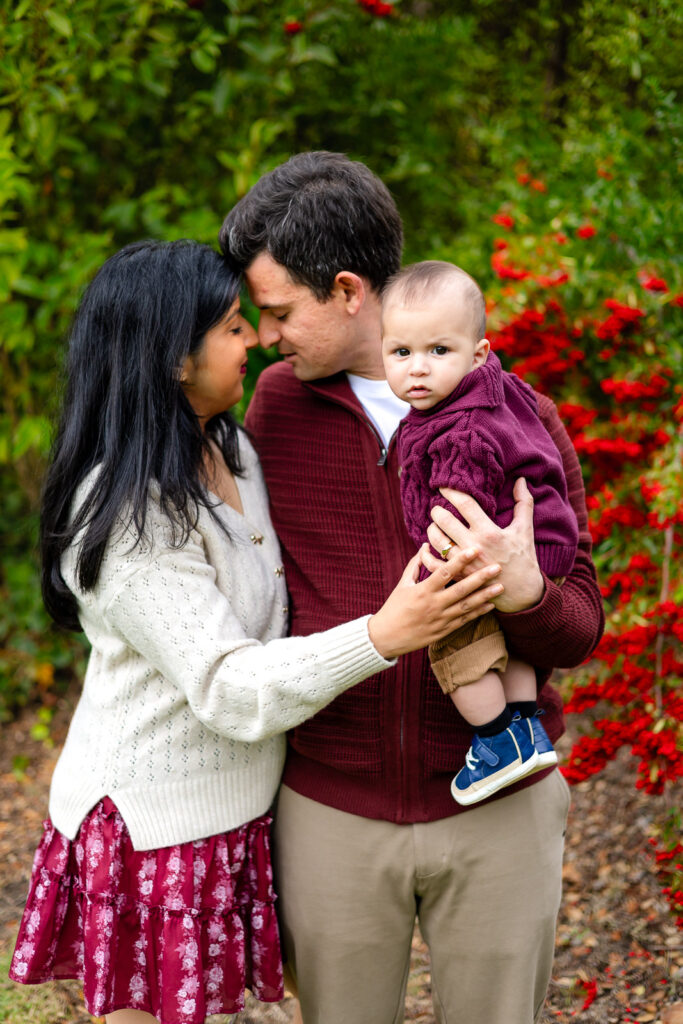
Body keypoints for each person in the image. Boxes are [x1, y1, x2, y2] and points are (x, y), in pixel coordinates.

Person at [9, 239, 501, 1024]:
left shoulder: (227, 445)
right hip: (152, 828)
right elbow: (227, 686)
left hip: (238, 811)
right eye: (235, 326)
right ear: (174, 358)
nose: (258, 340)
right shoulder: (129, 513)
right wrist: (383, 634)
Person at [220, 151, 605, 1024]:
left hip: (499, 811)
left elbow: (580, 629)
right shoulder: (273, 410)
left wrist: (524, 593)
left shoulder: (518, 415)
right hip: (330, 810)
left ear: (348, 291)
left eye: (279, 312)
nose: (267, 337)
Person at [382, 259, 580, 806]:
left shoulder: (457, 429)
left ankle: (495, 743)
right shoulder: (500, 392)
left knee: (455, 639)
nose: (417, 369)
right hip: (543, 543)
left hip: (492, 549)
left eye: (437, 351)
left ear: (478, 353)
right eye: (401, 353)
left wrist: (434, 576)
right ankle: (525, 728)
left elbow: (456, 513)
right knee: (509, 635)